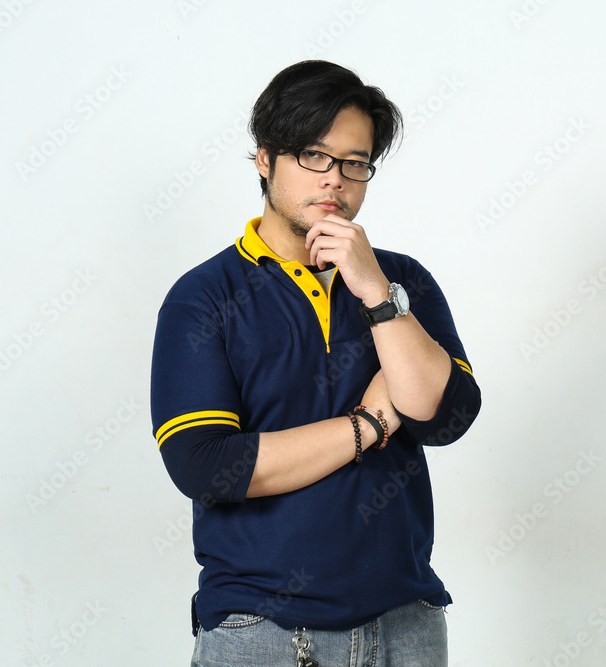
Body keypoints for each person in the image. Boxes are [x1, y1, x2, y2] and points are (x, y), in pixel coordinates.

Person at [150, 60, 481, 666]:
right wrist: (369, 425)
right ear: (264, 159)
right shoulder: (204, 297)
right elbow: (208, 467)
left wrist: (376, 293)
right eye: (313, 155)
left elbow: (446, 417)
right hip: (262, 630)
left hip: (406, 622)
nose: (334, 180)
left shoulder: (400, 280)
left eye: (355, 162)